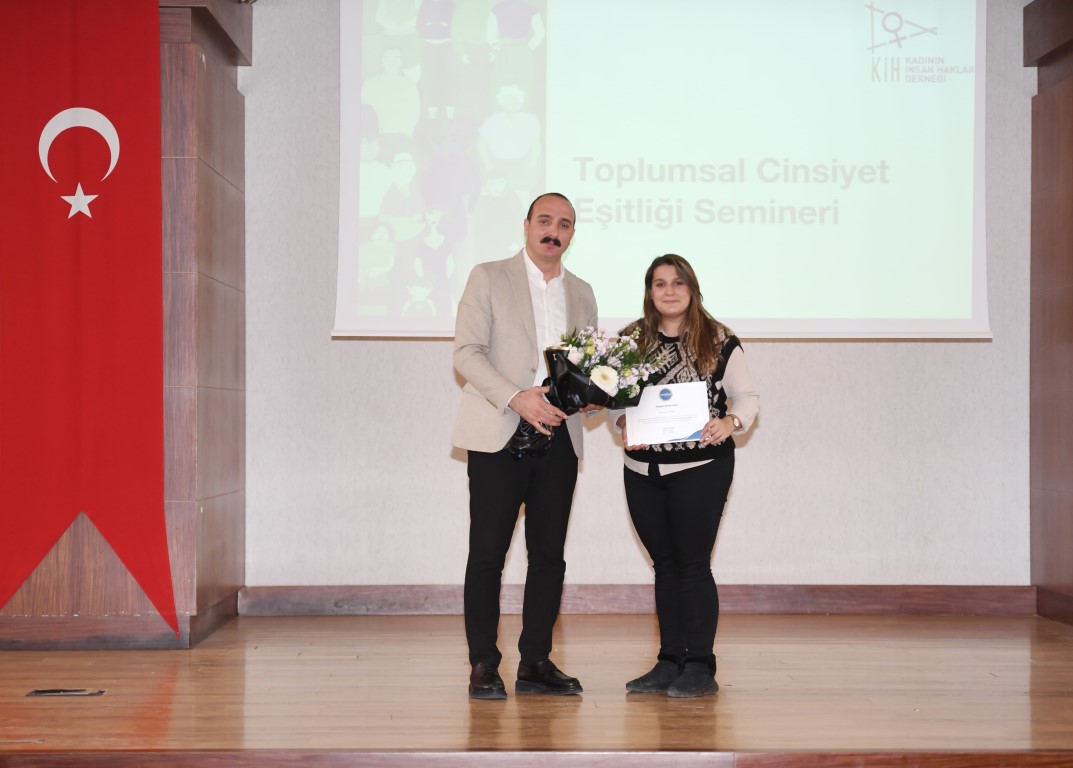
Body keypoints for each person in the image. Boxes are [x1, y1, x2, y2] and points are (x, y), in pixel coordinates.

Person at [452, 192, 598, 700]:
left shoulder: (582, 292)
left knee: (549, 556)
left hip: (559, 437)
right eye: (545, 221)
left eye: (565, 224)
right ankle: (483, 663)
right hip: (499, 431)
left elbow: (584, 367)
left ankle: (535, 661)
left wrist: (590, 396)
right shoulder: (489, 277)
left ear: (572, 234)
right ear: (527, 225)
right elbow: (467, 353)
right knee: (487, 554)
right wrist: (518, 397)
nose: (553, 231)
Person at [613, 254, 759, 698]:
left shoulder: (719, 339)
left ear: (692, 289)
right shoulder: (630, 341)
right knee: (664, 566)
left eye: (678, 283)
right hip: (642, 470)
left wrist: (730, 423)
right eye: (660, 284)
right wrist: (623, 423)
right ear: (649, 292)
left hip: (701, 468)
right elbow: (614, 400)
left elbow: (746, 398)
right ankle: (669, 660)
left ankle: (700, 665)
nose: (670, 291)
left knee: (692, 564)